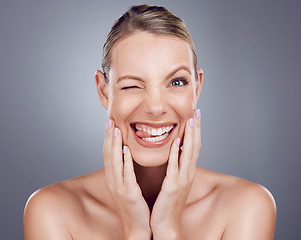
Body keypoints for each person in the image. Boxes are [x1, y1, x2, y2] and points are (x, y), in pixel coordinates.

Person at [23, 5, 276, 240]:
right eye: (132, 85)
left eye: (176, 82)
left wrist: (167, 228)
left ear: (197, 87)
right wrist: (135, 230)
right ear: (104, 91)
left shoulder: (247, 206)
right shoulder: (52, 210)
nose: (155, 107)